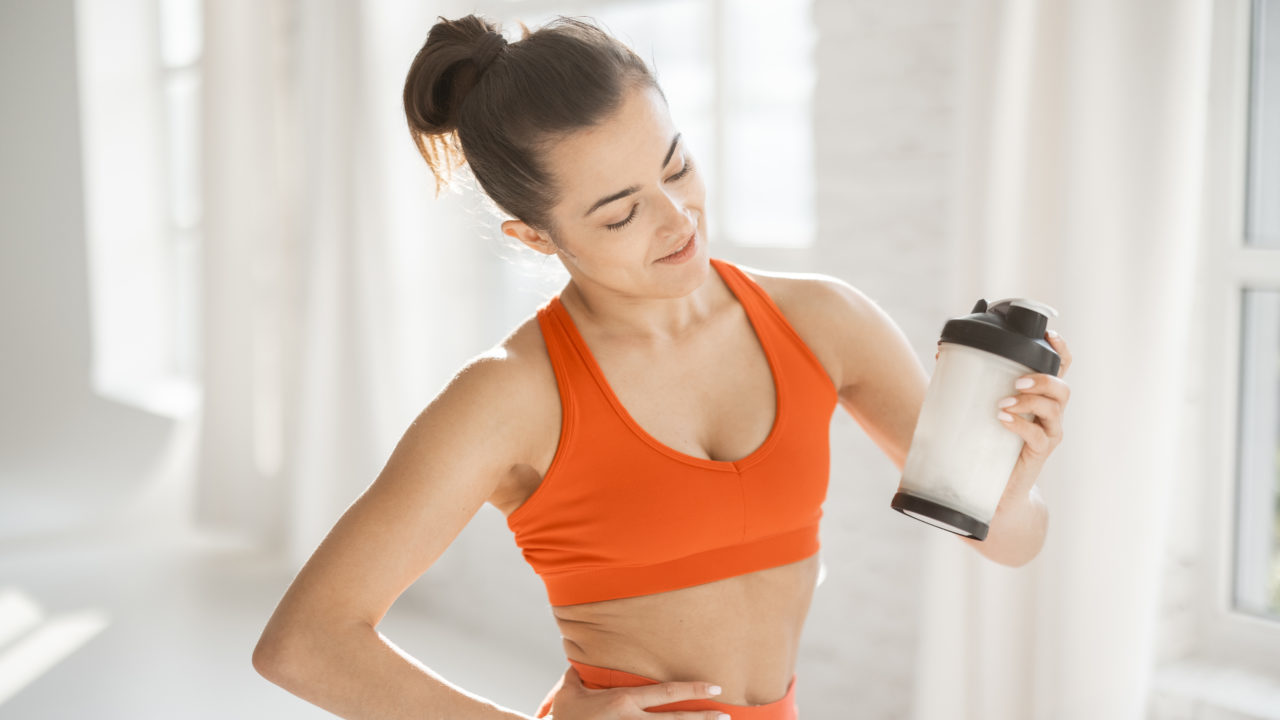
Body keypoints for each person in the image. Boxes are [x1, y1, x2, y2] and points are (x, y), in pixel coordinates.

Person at [252, 12, 1072, 720]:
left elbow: (1008, 543)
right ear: (536, 238)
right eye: (620, 213)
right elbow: (305, 643)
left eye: (676, 164)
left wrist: (1015, 485)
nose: (677, 218)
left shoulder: (825, 323)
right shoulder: (507, 395)